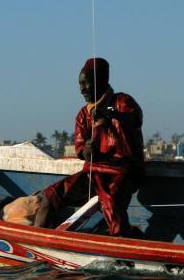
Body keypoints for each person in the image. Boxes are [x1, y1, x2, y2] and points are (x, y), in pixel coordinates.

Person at [33, 57, 144, 237]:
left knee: (111, 204)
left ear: (101, 81)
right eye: (80, 84)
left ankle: (124, 246)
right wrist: (86, 151)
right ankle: (36, 242)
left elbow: (135, 119)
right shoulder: (83, 115)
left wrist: (111, 115)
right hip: (92, 173)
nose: (82, 89)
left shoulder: (122, 102)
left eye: (86, 83)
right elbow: (80, 148)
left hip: (121, 172)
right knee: (50, 197)